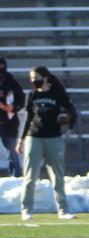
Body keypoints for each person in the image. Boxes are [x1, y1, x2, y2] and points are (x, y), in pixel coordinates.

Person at [18, 66, 77, 221]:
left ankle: (63, 210)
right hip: (34, 136)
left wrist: (69, 128)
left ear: (45, 77)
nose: (34, 81)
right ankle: (26, 209)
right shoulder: (32, 95)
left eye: (36, 77)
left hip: (54, 137)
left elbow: (72, 111)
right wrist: (21, 139)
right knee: (30, 175)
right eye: (31, 78)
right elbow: (29, 119)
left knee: (57, 176)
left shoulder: (57, 93)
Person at [0, 58, 23, 177]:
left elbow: (21, 100)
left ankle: (17, 174)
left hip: (8, 121)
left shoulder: (11, 82)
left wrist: (12, 107)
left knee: (11, 149)